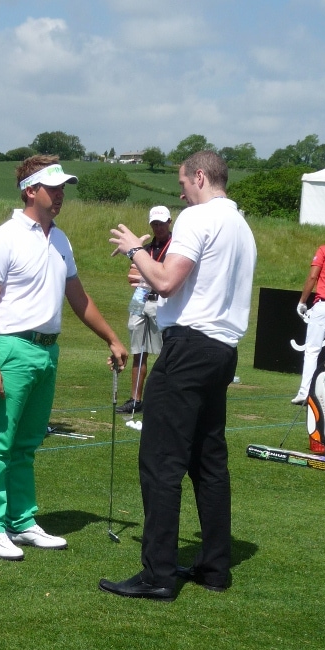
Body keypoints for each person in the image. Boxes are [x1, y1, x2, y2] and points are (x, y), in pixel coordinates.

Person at [100, 151, 256, 601]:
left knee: (160, 461)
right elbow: (190, 286)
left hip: (188, 349)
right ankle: (214, 567)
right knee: (208, 461)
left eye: (183, 184)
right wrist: (152, 279)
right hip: (222, 351)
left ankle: (158, 574)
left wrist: (136, 250)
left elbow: (168, 281)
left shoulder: (197, 217)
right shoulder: (241, 227)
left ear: (200, 177)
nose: (182, 193)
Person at [0, 154, 128, 561]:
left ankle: (21, 521)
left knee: (26, 443)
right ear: (30, 190)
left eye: (62, 189)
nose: (60, 195)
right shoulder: (2, 239)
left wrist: (112, 338)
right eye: (53, 188)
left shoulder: (60, 240)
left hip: (47, 351)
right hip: (11, 349)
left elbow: (79, 298)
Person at [116, 206, 172, 414]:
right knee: (138, 349)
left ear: (169, 222)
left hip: (160, 301)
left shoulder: (175, 249)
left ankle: (165, 398)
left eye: (162, 223)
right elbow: (133, 274)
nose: (158, 227)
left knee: (166, 350)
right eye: (154, 224)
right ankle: (135, 399)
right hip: (140, 297)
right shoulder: (145, 249)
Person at [291, 245, 325, 404]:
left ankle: (305, 392)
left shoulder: (324, 250)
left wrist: (302, 301)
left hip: (324, 305)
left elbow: (313, 276)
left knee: (312, 350)